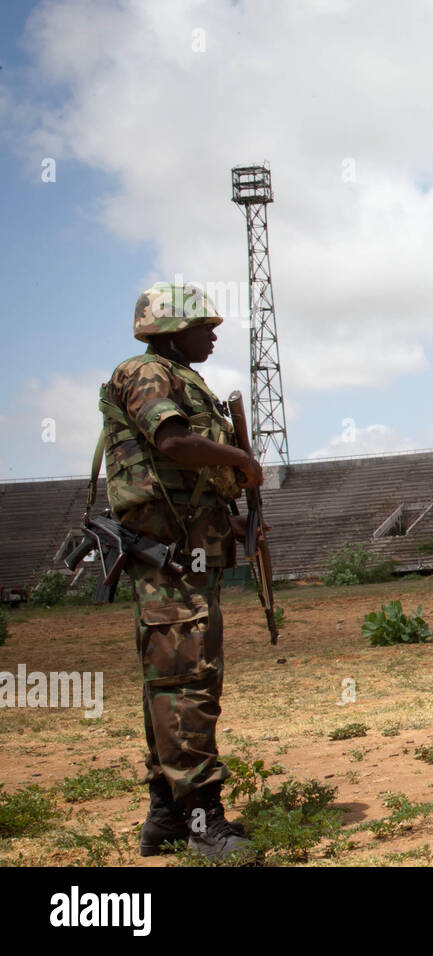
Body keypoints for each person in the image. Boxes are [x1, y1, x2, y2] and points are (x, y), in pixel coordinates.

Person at [95, 281, 263, 861]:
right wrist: (239, 459)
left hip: (188, 558)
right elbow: (171, 440)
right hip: (166, 563)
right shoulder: (145, 373)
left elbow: (187, 482)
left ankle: (167, 814)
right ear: (170, 329)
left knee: (174, 686)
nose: (214, 335)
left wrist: (233, 522)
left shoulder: (182, 377)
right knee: (186, 687)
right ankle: (199, 818)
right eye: (204, 326)